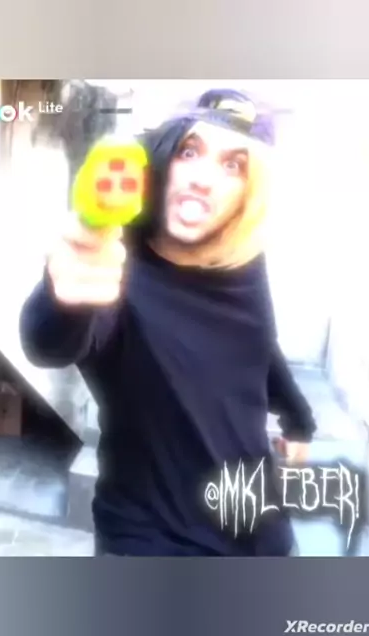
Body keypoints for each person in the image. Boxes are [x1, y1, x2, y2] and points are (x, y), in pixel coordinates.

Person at [19, 88, 317, 556]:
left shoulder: (242, 262)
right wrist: (61, 299)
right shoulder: (117, 266)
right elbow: (48, 340)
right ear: (160, 159)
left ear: (247, 193)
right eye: (189, 152)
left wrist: (298, 420)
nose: (203, 179)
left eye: (232, 165)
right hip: (153, 543)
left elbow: (256, 347)